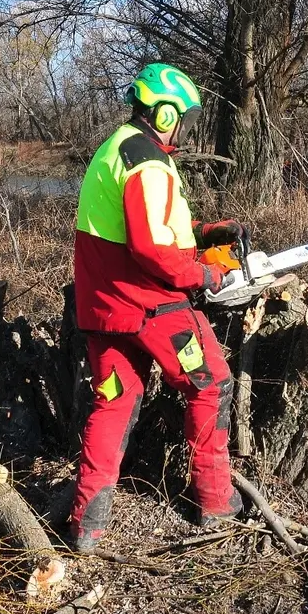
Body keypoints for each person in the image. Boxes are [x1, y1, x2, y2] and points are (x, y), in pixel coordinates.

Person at [68, 63, 245, 551]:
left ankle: (88, 524)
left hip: (104, 308)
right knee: (211, 383)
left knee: (115, 402)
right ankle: (215, 500)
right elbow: (152, 250)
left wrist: (206, 234)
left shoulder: (119, 148)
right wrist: (205, 272)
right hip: (147, 305)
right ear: (164, 113)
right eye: (184, 119)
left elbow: (150, 228)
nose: (186, 129)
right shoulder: (146, 161)